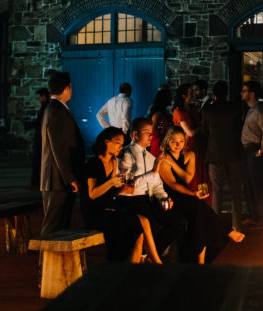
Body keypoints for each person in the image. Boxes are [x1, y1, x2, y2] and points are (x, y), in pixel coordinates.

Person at [157, 125, 244, 263]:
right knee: (198, 208)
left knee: (199, 217)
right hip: (169, 197)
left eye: (181, 141)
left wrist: (173, 164)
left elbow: (187, 178)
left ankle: (201, 261)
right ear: (167, 141)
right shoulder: (162, 159)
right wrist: (192, 194)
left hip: (187, 195)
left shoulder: (189, 154)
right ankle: (226, 233)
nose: (178, 144)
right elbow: (173, 185)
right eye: (174, 141)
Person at [119, 118, 183, 263]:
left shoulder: (150, 156)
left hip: (149, 199)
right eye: (147, 132)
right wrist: (152, 173)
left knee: (176, 221)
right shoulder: (126, 154)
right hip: (131, 199)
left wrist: (163, 198)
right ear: (135, 135)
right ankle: (146, 258)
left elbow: (157, 185)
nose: (151, 136)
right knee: (149, 221)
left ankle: (150, 256)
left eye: (151, 132)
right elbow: (127, 184)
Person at [84, 127, 145, 262]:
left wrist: (123, 188)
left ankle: (127, 267)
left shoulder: (114, 162)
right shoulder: (94, 163)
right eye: (117, 142)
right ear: (106, 142)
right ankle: (114, 265)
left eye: (122, 144)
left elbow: (111, 192)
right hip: (95, 212)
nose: (120, 146)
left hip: (110, 209)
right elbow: (92, 194)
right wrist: (111, 182)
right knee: (120, 224)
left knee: (135, 224)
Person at [40, 71, 85, 238]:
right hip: (57, 180)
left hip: (57, 179)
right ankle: (46, 261)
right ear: (68, 88)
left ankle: (53, 262)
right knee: (54, 225)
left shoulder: (53, 109)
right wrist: (70, 177)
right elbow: (58, 148)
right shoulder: (57, 111)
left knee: (59, 225)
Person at [200, 80, 247, 233]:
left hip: (214, 154)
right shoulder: (234, 108)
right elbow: (239, 128)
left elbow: (205, 132)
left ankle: (216, 225)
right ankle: (237, 225)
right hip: (233, 153)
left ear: (214, 94)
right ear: (226, 93)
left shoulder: (208, 110)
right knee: (235, 191)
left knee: (217, 191)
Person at [240, 81, 263, 229]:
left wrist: (262, 150)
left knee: (256, 185)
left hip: (254, 149)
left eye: (244, 91)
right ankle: (254, 215)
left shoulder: (259, 110)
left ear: (251, 94)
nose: (242, 93)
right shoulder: (250, 109)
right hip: (247, 150)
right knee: (248, 184)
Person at [28, 87, 50, 187]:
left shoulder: (44, 108)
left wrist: (27, 124)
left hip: (41, 138)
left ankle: (37, 182)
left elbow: (39, 122)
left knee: (38, 160)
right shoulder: (46, 107)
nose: (38, 99)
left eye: (40, 97)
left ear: (44, 97)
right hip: (42, 138)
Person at [148, 87, 173, 157]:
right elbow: (153, 129)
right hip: (159, 142)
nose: (171, 99)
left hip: (165, 140)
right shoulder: (158, 114)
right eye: (170, 97)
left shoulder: (165, 112)